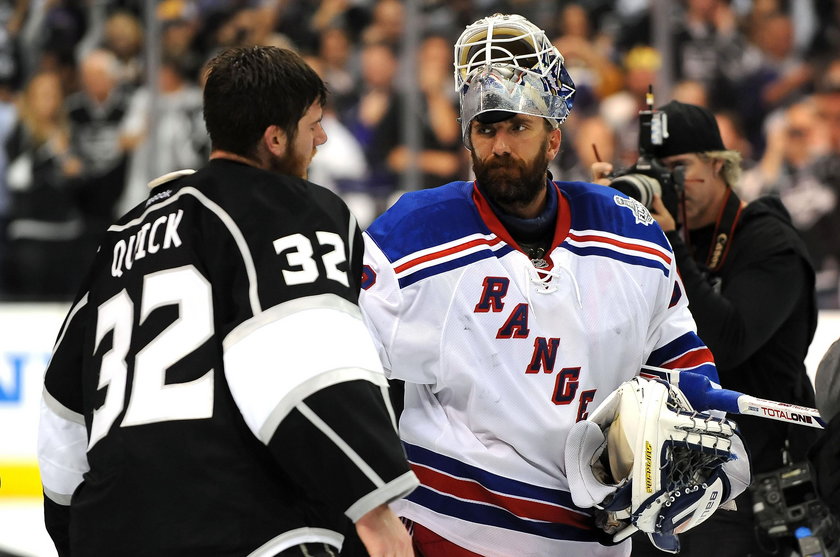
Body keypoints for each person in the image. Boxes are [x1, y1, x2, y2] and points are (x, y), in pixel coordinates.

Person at [359, 14, 748, 557]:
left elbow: (678, 358)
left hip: (597, 541)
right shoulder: (414, 232)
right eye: (486, 129)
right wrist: (371, 505)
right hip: (456, 533)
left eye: (517, 127)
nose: (499, 146)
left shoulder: (627, 228)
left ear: (553, 137)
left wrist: (692, 432)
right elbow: (349, 377)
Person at [37, 45, 418, 557]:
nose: (322, 138)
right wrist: (374, 507)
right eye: (313, 124)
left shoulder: (122, 235)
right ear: (275, 138)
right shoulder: (285, 207)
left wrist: (70, 528)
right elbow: (306, 361)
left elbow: (63, 409)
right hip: (248, 527)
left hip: (110, 531)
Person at [593, 100, 819, 556]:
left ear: (720, 166)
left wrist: (669, 243)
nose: (666, 186)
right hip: (661, 480)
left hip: (749, 487)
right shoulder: (650, 238)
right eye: (653, 173)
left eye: (678, 169)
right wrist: (600, 231)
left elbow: (724, 345)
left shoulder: (770, 243)